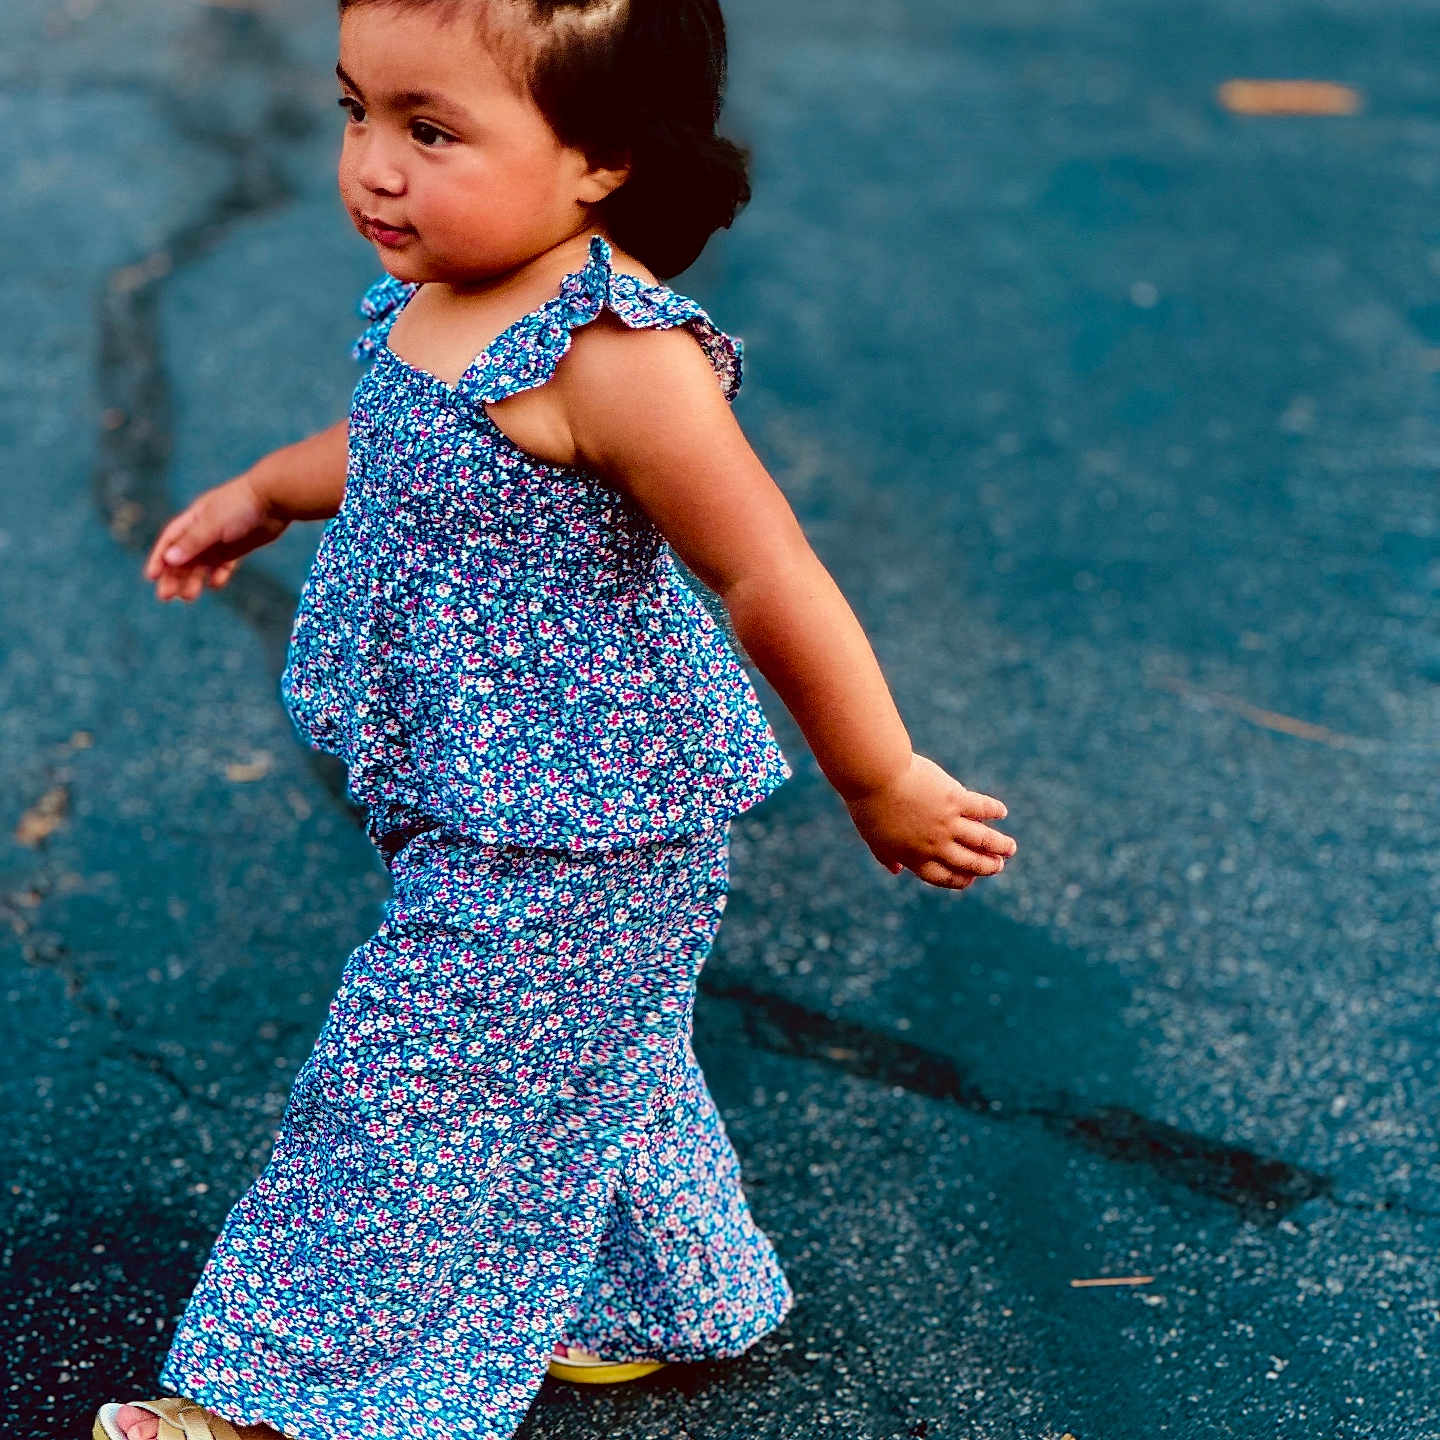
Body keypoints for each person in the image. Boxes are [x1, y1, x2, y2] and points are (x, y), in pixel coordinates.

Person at [96, 0, 1018, 1436]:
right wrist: (265, 495)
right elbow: (398, 437)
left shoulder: (614, 357)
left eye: (431, 129)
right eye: (355, 112)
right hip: (481, 791)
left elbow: (765, 566)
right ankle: (671, 1300)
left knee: (407, 1094)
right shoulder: (450, 290)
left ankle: (292, 1398)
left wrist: (881, 774)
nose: (372, 168)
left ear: (598, 160)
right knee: (598, 1052)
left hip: (575, 828)